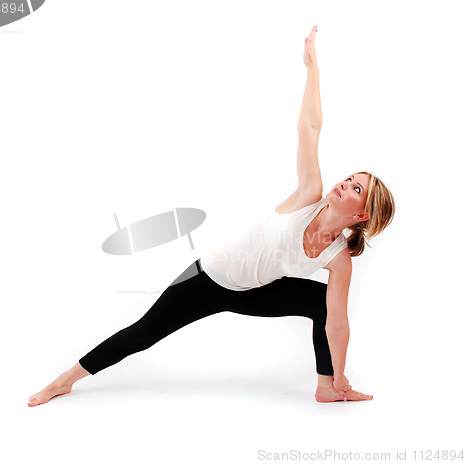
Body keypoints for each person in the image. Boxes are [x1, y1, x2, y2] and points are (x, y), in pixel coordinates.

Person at [28, 26, 395, 407]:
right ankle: (63, 380)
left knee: (324, 304)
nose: (345, 183)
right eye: (350, 178)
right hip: (208, 276)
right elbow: (310, 129)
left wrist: (340, 372)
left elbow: (337, 324)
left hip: (255, 292)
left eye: (356, 189)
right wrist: (312, 70)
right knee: (144, 333)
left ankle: (326, 387)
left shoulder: (338, 259)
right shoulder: (309, 198)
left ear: (362, 214)